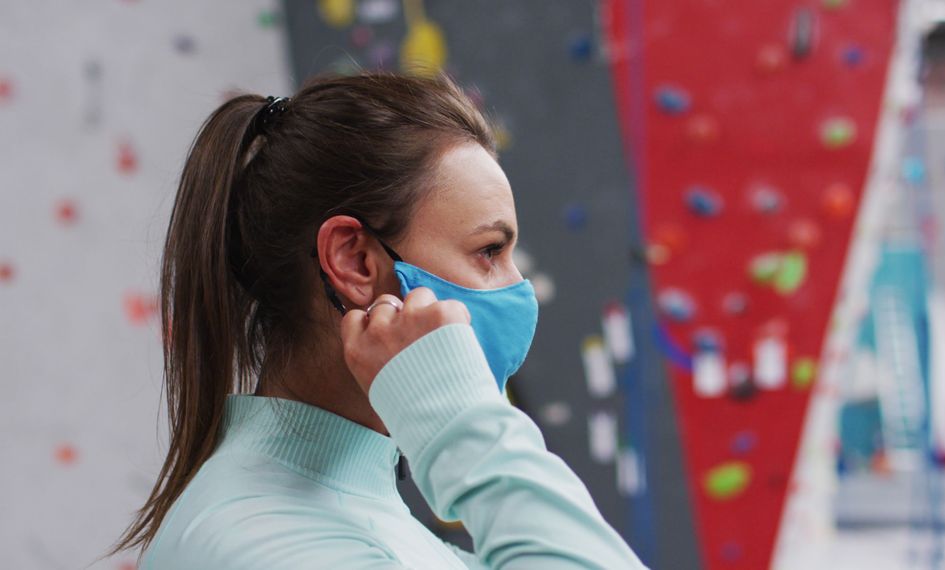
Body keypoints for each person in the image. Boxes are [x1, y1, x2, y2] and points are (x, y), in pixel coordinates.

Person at [107, 71, 648, 569]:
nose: (517, 291)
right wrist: (459, 416)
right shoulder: (262, 543)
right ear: (356, 262)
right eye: (487, 252)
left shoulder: (367, 519)